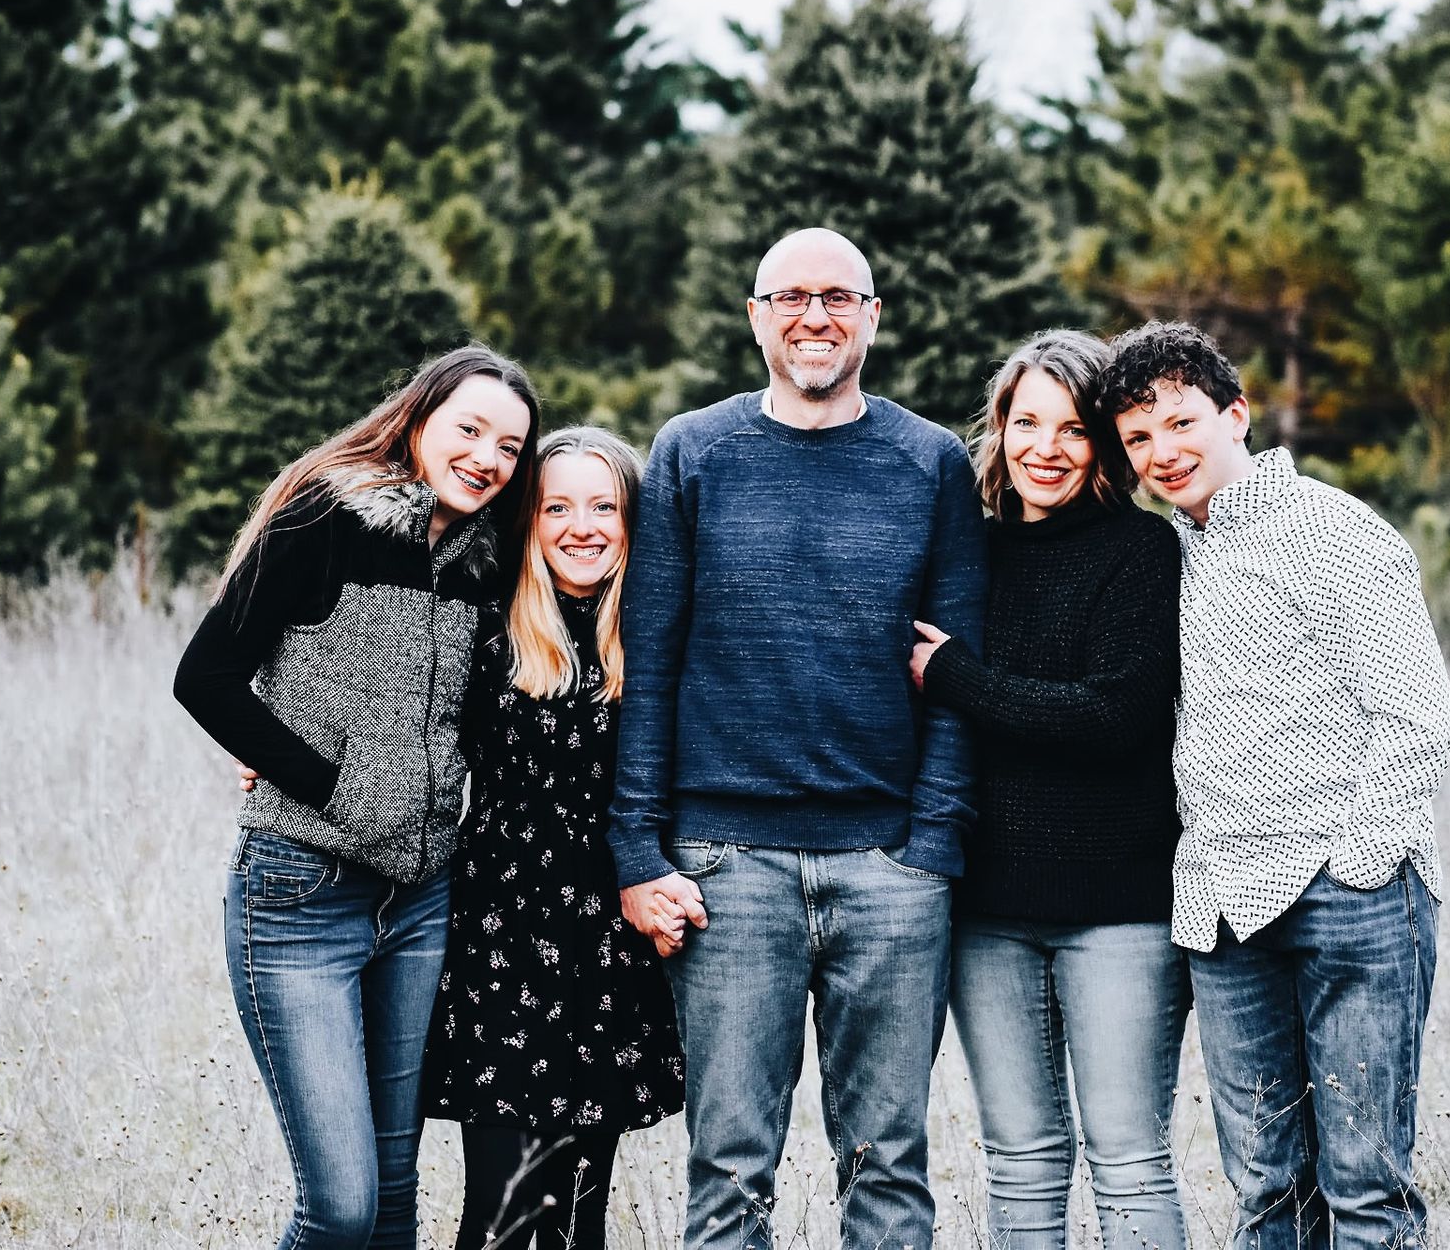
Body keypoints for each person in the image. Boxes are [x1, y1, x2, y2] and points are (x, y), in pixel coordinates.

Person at [606, 227, 987, 1250]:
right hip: (727, 866)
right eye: (791, 297)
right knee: (730, 1166)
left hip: (890, 868)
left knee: (889, 1164)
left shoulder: (930, 462)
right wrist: (638, 851)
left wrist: (933, 846)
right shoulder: (693, 449)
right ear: (756, 319)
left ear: (872, 316)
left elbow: (958, 667)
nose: (814, 316)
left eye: (837, 297)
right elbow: (652, 660)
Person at [1097, 321, 1450, 1248]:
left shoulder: (1334, 533)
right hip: (1222, 913)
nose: (1162, 453)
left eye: (1180, 424)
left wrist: (1361, 866)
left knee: (1366, 1188)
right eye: (1139, 439)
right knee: (1267, 1194)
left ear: (1237, 415)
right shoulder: (1169, 554)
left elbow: (1418, 716)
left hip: (1351, 901)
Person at [173, 344, 540, 1250]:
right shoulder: (321, 518)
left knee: (392, 1199)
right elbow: (207, 678)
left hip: (418, 904)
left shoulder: (486, 561)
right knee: (338, 1207)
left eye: (508, 447)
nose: (487, 458)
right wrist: (328, 781)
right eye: (469, 430)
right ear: (418, 422)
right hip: (298, 897)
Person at [907, 329, 1189, 1250]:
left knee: (1128, 1159)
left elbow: (1114, 719)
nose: (1046, 448)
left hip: (1120, 913)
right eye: (1026, 421)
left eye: (1071, 429)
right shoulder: (969, 554)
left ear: (1102, 444)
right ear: (998, 428)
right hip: (987, 911)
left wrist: (960, 679)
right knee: (1021, 1161)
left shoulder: (1142, 553)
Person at [424, 427, 684, 1250]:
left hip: (609, 940)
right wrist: (271, 752)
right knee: (500, 1214)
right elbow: (398, 717)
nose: (583, 526)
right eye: (557, 507)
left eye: (604, 506)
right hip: (500, 933)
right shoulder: (485, 622)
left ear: (633, 519)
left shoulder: (654, 635)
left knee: (579, 1216)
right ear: (528, 521)